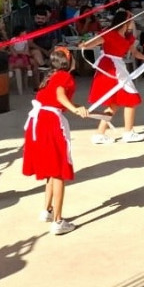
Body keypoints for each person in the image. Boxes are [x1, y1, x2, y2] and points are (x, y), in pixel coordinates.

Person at [22, 47, 89, 235]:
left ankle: (47, 210)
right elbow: (60, 96)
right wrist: (75, 110)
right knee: (58, 171)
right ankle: (58, 221)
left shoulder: (51, 77)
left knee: (51, 170)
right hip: (51, 124)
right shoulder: (64, 77)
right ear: (68, 62)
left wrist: (79, 107)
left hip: (40, 123)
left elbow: (57, 99)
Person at [81, 10, 144, 144]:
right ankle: (128, 132)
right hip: (110, 67)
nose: (133, 23)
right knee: (131, 98)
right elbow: (91, 43)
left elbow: (135, 53)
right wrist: (85, 44)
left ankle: (100, 134)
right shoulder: (109, 33)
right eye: (131, 21)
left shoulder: (128, 37)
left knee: (114, 103)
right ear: (126, 22)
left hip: (117, 66)